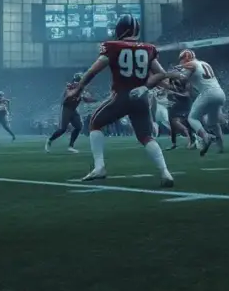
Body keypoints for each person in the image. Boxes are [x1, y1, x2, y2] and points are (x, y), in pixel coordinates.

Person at [69, 14, 183, 187]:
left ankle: (100, 167)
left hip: (121, 96)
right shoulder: (148, 48)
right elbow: (161, 75)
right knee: (146, 136)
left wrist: (79, 87)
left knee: (95, 123)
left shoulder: (113, 46)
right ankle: (165, 172)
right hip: (142, 98)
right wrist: (171, 87)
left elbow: (93, 71)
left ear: (121, 29)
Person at [178, 49, 227, 155]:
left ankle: (205, 137)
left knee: (192, 118)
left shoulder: (191, 64)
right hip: (220, 93)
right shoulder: (204, 63)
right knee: (212, 122)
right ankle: (221, 147)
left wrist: (174, 75)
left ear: (186, 58)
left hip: (208, 93)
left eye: (181, 59)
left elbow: (182, 80)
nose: (180, 62)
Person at [45, 73, 94, 153]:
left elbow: (86, 99)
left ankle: (70, 146)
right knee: (62, 129)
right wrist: (81, 94)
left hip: (73, 109)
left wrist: (95, 100)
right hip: (66, 108)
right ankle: (50, 140)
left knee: (78, 126)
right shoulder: (70, 87)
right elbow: (69, 95)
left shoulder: (81, 89)